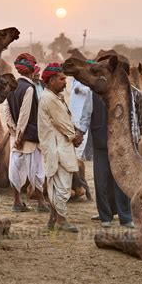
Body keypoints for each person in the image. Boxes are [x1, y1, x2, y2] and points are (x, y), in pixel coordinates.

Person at [77, 61, 142, 229]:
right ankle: (105, 216)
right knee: (101, 181)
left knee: (121, 181)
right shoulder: (93, 94)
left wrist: (135, 140)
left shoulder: (132, 94)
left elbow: (138, 121)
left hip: (122, 146)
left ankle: (125, 217)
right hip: (101, 143)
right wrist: (80, 134)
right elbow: (85, 116)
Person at [38, 63, 83, 232]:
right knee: (63, 187)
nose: (65, 82)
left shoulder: (53, 97)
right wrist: (75, 136)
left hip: (57, 146)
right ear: (51, 80)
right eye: (62, 79)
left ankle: (54, 218)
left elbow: (64, 120)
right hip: (57, 148)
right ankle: (62, 221)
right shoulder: (49, 99)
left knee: (57, 184)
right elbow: (62, 122)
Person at [4, 53, 49, 213]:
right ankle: (41, 203)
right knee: (36, 170)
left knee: (15, 168)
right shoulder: (29, 88)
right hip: (28, 137)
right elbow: (25, 113)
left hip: (16, 136)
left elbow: (7, 113)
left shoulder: (12, 87)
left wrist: (14, 133)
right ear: (31, 70)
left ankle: (17, 202)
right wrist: (21, 135)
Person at [69, 73, 93, 160]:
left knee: (82, 132)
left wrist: (80, 89)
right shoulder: (74, 80)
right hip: (73, 111)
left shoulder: (86, 79)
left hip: (81, 112)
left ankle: (78, 155)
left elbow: (90, 90)